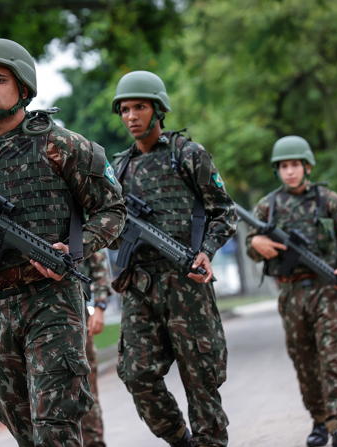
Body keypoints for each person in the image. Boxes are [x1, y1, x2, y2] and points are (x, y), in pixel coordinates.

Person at [0, 38, 126, 446]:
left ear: (24, 89)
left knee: (55, 425)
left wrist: (77, 249)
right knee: (19, 424)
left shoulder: (63, 145)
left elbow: (113, 211)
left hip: (51, 298)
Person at [109, 71, 236, 447]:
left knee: (202, 377)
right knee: (136, 374)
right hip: (141, 285)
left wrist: (207, 252)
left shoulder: (188, 154)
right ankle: (180, 439)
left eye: (140, 107)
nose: (131, 116)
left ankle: (210, 442)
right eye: (125, 109)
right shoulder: (118, 167)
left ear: (158, 109)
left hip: (187, 281)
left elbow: (224, 212)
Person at [245, 136, 337, 447]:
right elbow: (252, 246)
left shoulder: (329, 200)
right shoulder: (267, 206)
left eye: (295, 165)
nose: (290, 171)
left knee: (331, 357)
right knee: (304, 361)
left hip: (324, 289)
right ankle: (319, 420)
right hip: (290, 293)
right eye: (284, 166)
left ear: (307, 166)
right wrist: (255, 244)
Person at [76, 249, 114, 447]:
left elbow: (99, 264)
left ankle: (94, 443)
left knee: (86, 389)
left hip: (77, 316)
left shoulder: (74, 222)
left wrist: (99, 306)